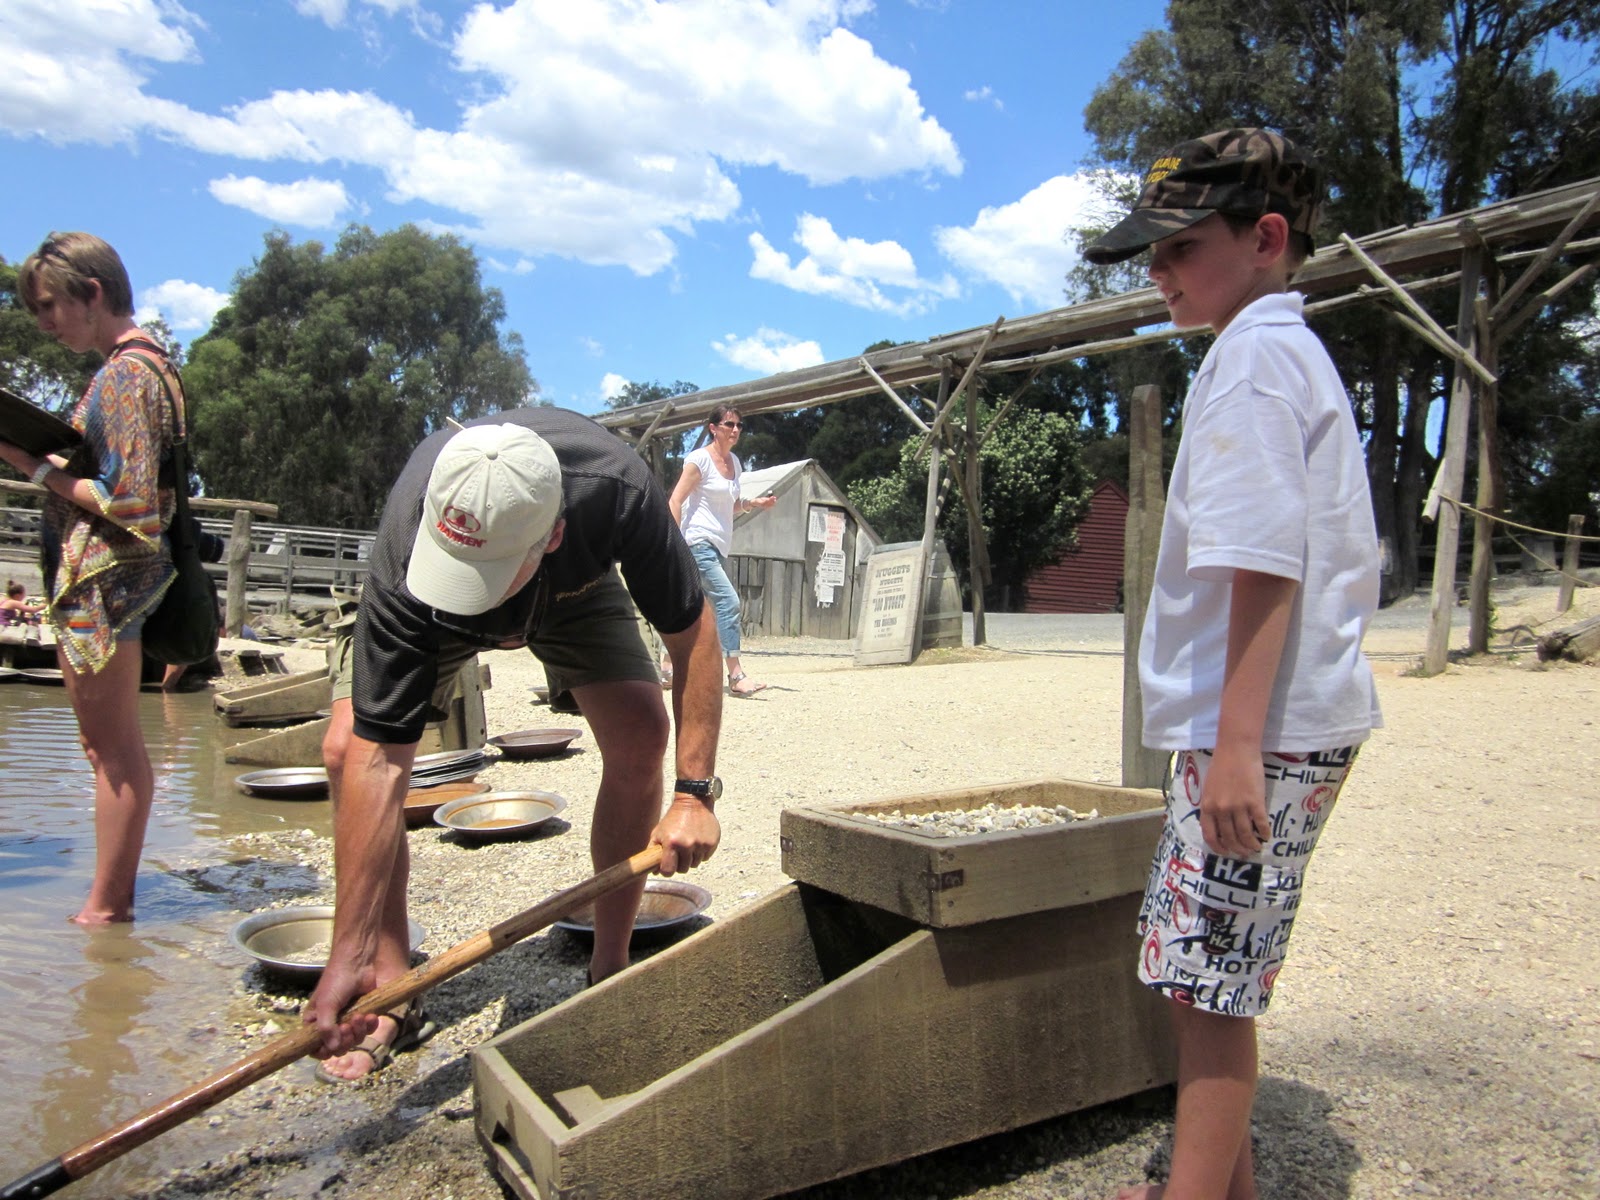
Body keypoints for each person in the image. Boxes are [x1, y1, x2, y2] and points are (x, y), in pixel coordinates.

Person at [1082, 129, 1382, 1200]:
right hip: (1244, 725)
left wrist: (1238, 749)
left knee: (1211, 986)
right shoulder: (1260, 349)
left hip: (1262, 729)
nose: (1158, 272)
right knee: (1194, 961)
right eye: (1147, 256)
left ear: (1263, 237)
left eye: (1178, 247)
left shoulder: (1253, 360)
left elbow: (1264, 564)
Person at [304, 409, 726, 1083]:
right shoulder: (414, 528)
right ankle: (386, 978)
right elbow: (381, 760)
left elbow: (694, 632)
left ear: (554, 532)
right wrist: (343, 946)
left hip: (572, 590)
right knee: (343, 748)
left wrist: (693, 793)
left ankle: (609, 972)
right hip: (427, 598)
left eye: (487, 571)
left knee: (643, 732)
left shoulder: (616, 490)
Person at [0, 232, 183, 925]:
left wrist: (37, 469)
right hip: (107, 585)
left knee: (111, 750)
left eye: (50, 305)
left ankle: (105, 911)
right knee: (108, 746)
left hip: (103, 585)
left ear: (92, 292)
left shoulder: (126, 375)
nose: (45, 322)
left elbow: (130, 503)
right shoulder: (148, 368)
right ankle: (109, 901)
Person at [663, 404, 776, 697]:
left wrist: (752, 504)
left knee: (692, 607)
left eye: (739, 425)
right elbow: (675, 500)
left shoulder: (735, 463)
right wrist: (675, 543)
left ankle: (667, 668)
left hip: (717, 545)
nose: (735, 430)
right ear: (713, 428)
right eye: (729, 424)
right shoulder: (699, 460)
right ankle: (736, 676)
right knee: (728, 601)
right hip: (696, 542)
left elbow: (730, 505)